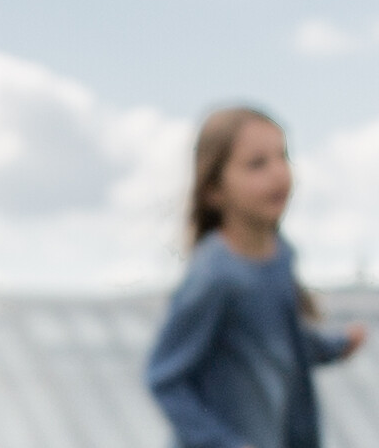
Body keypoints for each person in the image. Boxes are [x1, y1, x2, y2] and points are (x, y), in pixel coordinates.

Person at [144, 105, 358, 448]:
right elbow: (165, 378)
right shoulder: (215, 275)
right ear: (214, 190)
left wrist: (335, 346)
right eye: (257, 164)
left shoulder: (280, 255)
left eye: (283, 157)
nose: (278, 173)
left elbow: (279, 343)